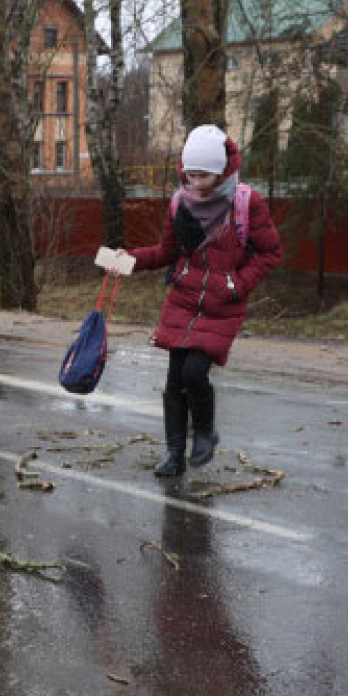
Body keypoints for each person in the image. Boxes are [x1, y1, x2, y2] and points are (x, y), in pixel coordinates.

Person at [118, 124, 282, 476]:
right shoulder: (180, 203)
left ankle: (205, 431)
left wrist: (237, 285)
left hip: (222, 304)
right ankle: (174, 454)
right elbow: (166, 251)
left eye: (203, 175)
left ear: (222, 170)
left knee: (195, 372)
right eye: (189, 173)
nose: (195, 182)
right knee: (174, 379)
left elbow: (270, 254)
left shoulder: (246, 202)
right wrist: (122, 261)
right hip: (183, 298)